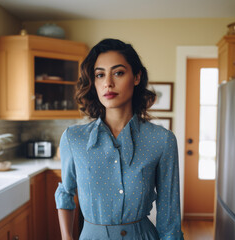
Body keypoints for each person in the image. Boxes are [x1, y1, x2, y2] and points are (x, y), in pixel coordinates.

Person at [55, 38, 184, 240]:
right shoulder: (74, 138)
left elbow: (169, 215)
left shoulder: (162, 140)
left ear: (136, 77)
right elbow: (66, 193)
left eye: (118, 73)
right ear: (94, 82)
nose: (108, 83)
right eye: (100, 75)